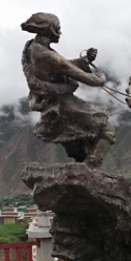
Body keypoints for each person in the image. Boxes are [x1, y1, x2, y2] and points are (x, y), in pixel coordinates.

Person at [21, 12, 115, 168]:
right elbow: (89, 79)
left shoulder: (34, 48)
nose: (60, 32)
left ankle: (82, 174)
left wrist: (85, 60)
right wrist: (101, 77)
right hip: (63, 104)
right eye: (58, 28)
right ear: (49, 30)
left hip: (49, 105)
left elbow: (62, 64)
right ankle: (90, 170)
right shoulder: (47, 55)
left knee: (77, 144)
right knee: (106, 130)